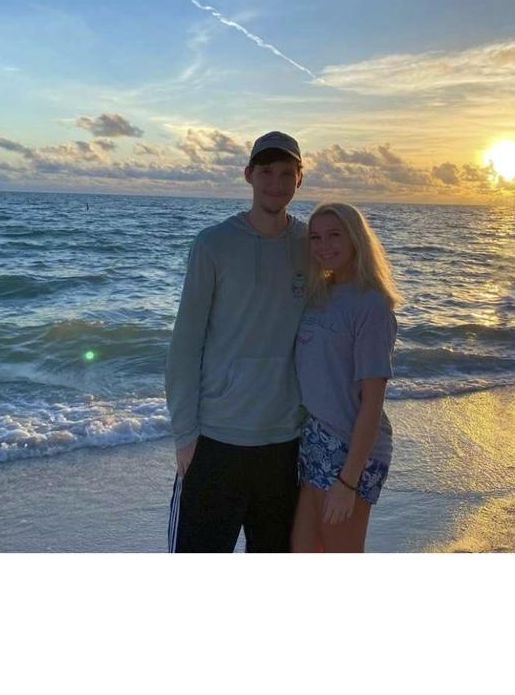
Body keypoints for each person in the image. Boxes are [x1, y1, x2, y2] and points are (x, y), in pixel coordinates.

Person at [165, 131, 308, 553]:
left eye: (287, 173)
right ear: (248, 175)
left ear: (300, 179)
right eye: (266, 172)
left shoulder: (311, 245)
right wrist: (185, 435)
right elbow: (185, 345)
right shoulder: (213, 244)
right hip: (216, 441)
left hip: (285, 444)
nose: (276, 183)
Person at [291, 202, 399, 553]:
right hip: (314, 440)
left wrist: (348, 482)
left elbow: (373, 400)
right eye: (316, 237)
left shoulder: (371, 304)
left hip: (351, 448)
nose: (324, 246)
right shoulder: (319, 294)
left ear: (355, 239)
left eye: (335, 235)